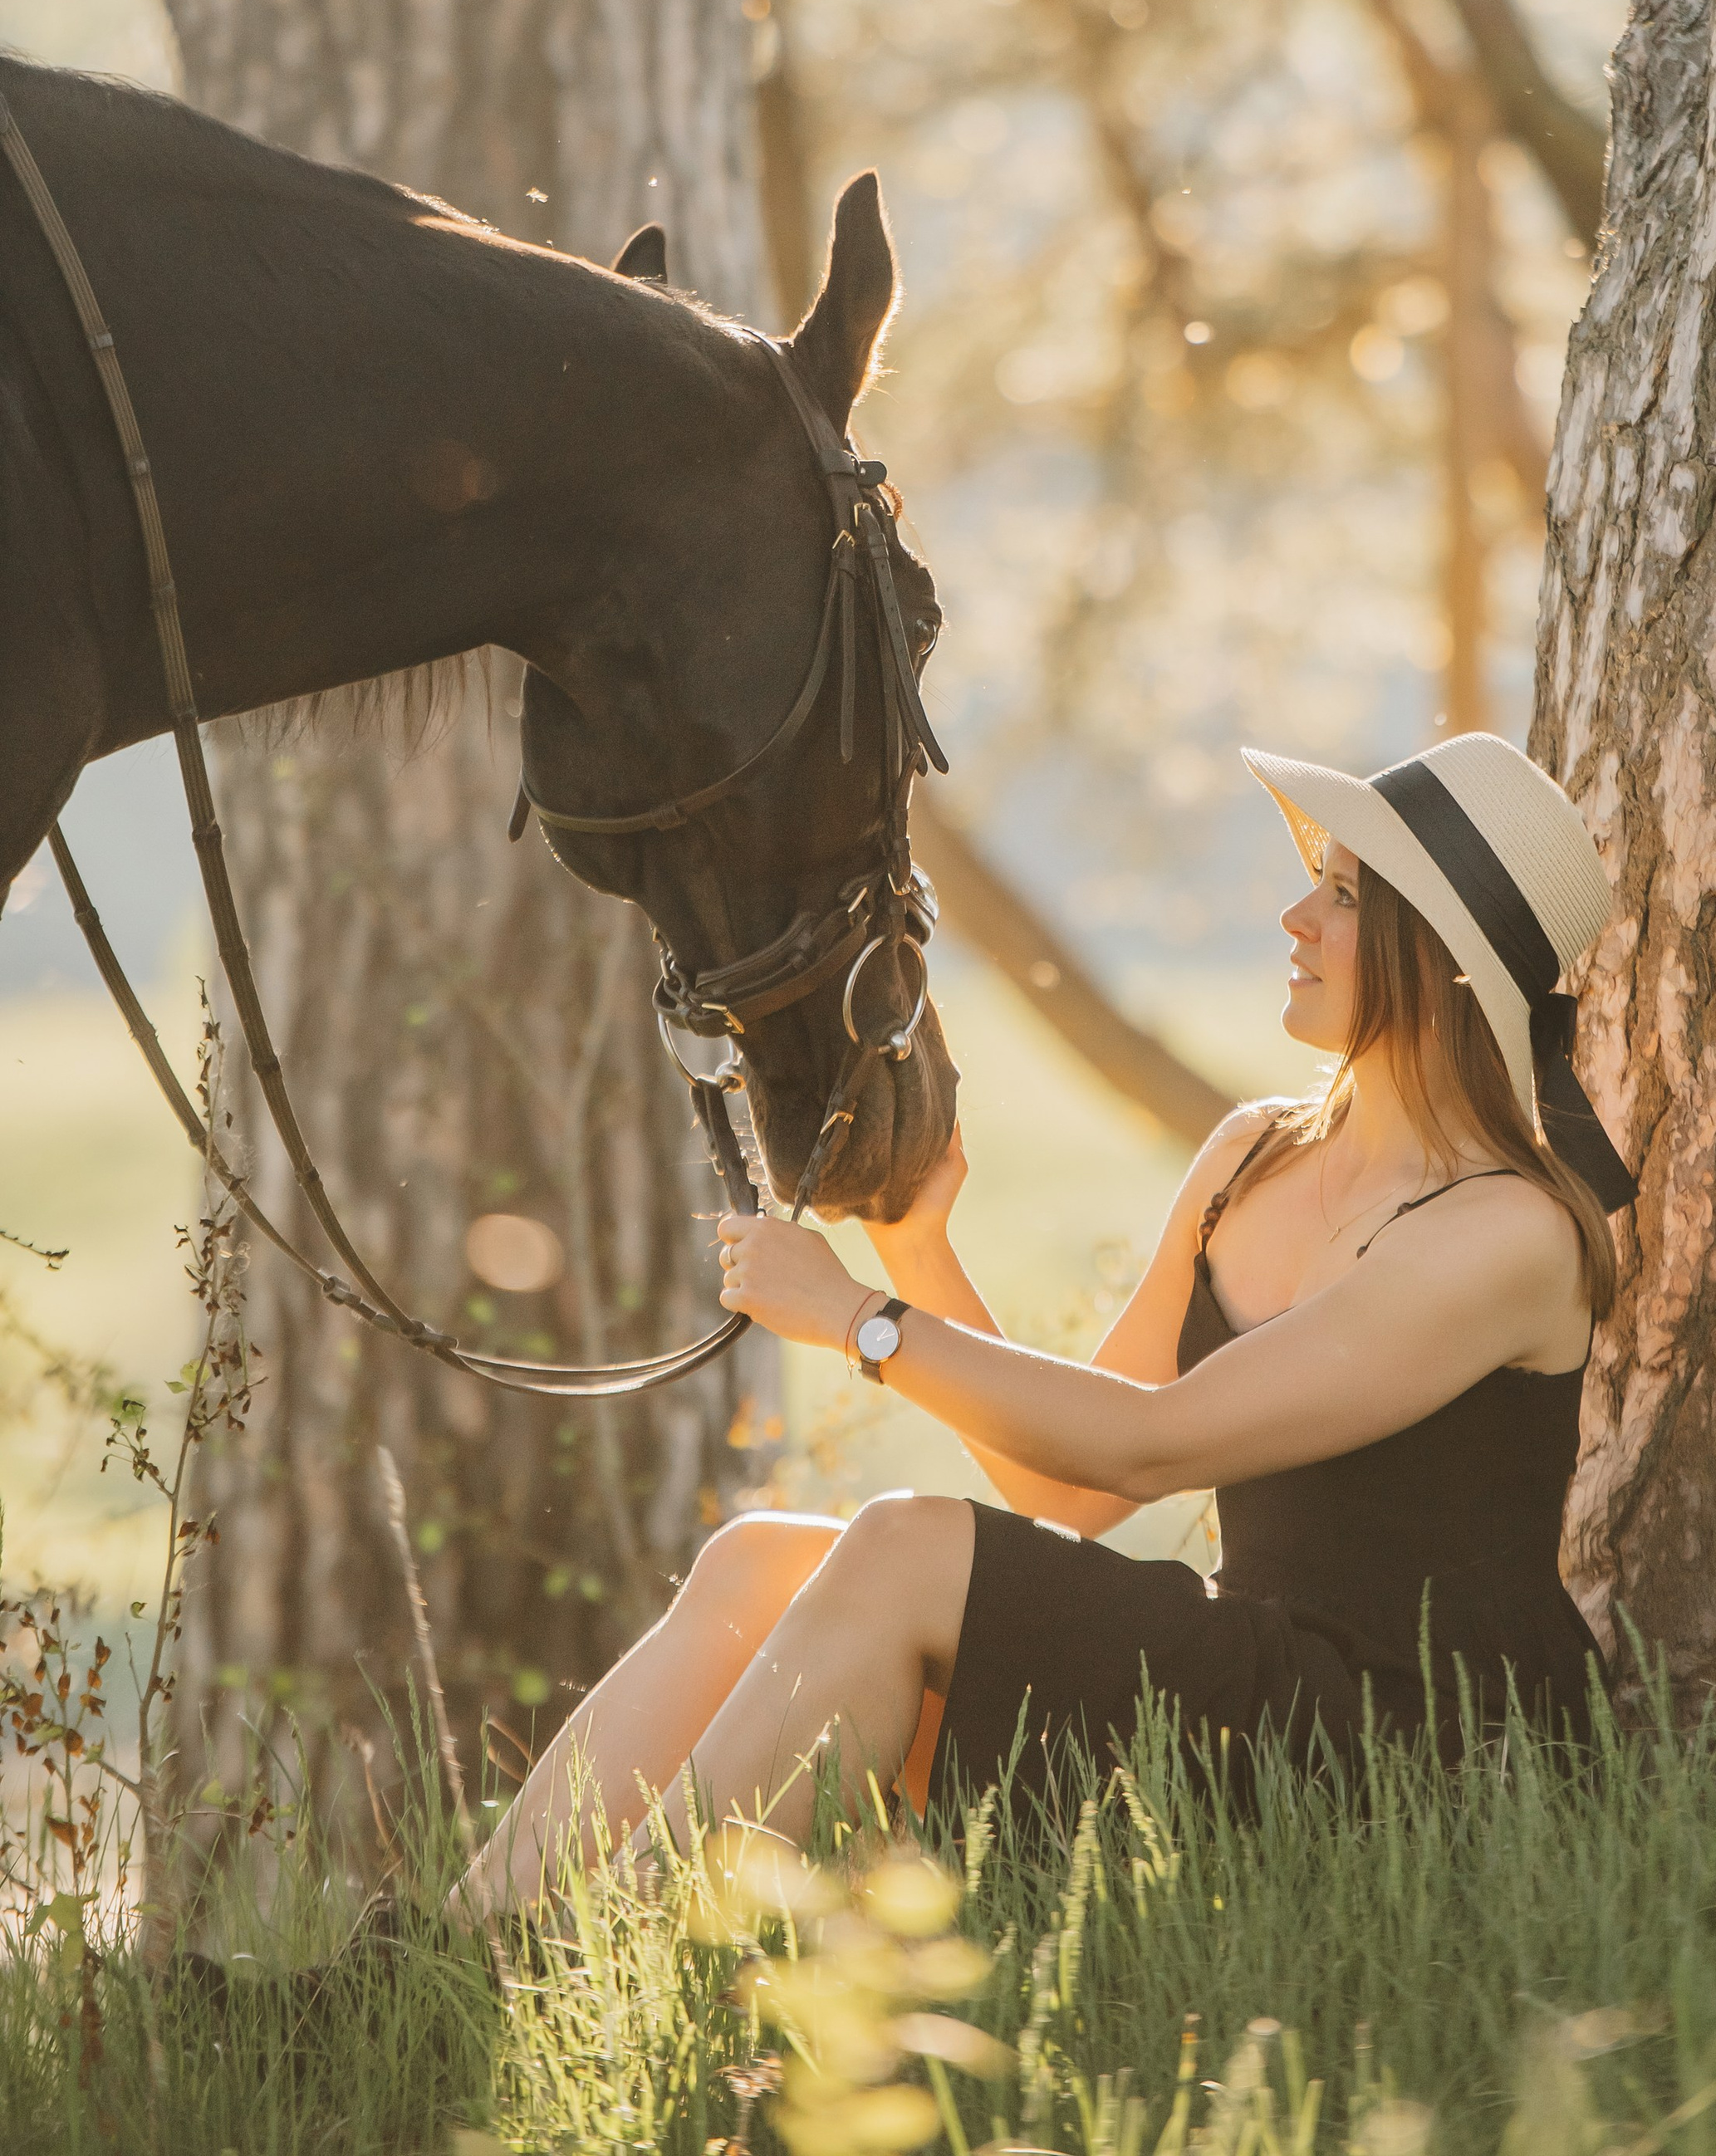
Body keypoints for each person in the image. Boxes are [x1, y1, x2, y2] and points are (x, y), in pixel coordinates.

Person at [463, 732, 1635, 1910]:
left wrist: (859, 1321)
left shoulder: (1507, 1237)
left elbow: (1149, 1441)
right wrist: (914, 1251)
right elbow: (1071, 1494)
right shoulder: (1254, 1157)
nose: (1295, 918)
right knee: (757, 1561)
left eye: (1341, 898)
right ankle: (448, 1948)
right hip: (1253, 1687)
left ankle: (596, 1954)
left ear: (1437, 959)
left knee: (910, 1543)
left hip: (1404, 1755)